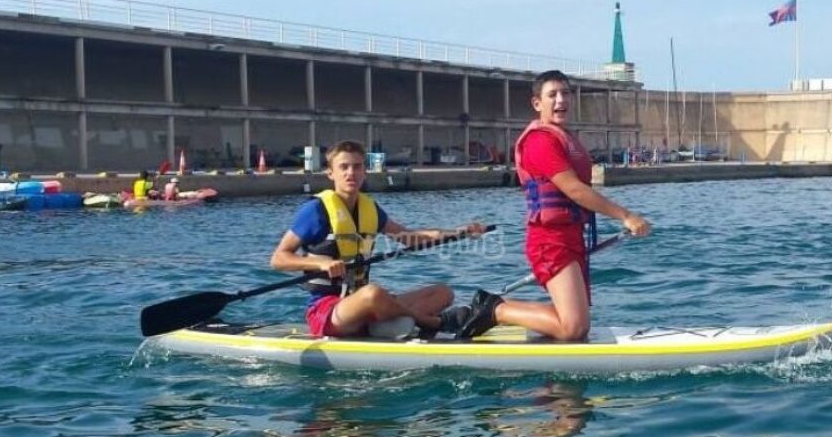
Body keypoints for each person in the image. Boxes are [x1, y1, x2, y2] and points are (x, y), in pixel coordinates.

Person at [457, 70, 652, 342]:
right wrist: (626, 216)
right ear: (537, 103)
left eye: (566, 93)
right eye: (552, 95)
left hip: (570, 237)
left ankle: (503, 312)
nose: (561, 100)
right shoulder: (539, 141)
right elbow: (574, 189)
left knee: (578, 326)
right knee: (573, 329)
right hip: (549, 241)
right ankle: (495, 309)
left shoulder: (561, 137)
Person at [270, 140, 485, 339]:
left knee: (442, 293)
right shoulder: (314, 211)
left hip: (365, 303)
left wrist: (460, 232)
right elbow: (279, 258)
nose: (350, 173)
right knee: (373, 293)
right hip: (329, 311)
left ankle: (386, 322)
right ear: (330, 173)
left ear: (365, 171)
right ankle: (433, 323)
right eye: (343, 167)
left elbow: (412, 238)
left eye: (357, 167)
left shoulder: (370, 209)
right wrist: (321, 263)